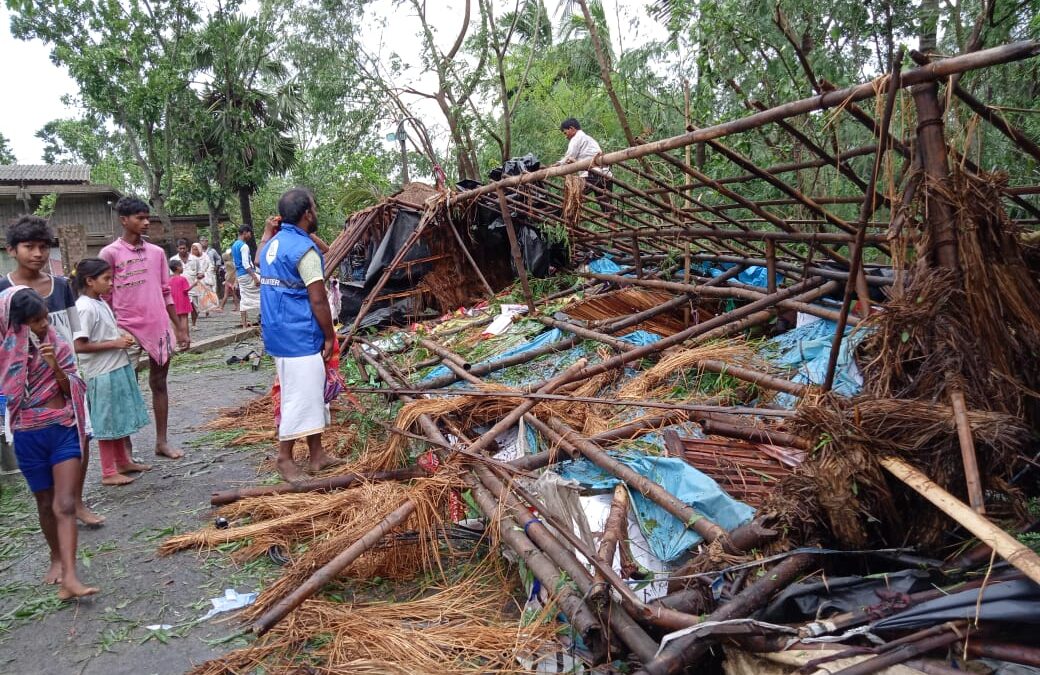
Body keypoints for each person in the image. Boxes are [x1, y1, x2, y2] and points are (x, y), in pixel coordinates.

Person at [0, 216, 103, 527]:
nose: (37, 254)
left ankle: (77, 501)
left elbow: (73, 331)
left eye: (43, 247)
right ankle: (49, 506)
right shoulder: (4, 291)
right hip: (24, 388)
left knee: (80, 438)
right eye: (29, 247)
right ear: (11, 250)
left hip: (64, 377)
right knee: (35, 447)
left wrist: (68, 370)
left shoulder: (60, 286)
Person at [0, 286, 98, 600]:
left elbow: (73, 388)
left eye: (44, 318)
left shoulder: (56, 342)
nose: (44, 326)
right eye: (35, 322)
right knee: (45, 503)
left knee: (65, 504)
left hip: (62, 427)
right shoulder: (4, 353)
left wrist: (54, 364)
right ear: (16, 324)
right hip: (28, 435)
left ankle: (71, 576)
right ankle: (56, 557)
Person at [258, 188, 340, 482]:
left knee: (311, 392)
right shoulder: (304, 252)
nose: (316, 213)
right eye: (314, 208)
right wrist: (329, 336)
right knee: (299, 397)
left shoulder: (273, 244)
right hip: (299, 333)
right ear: (307, 213)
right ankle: (284, 458)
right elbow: (318, 299)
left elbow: (260, 263)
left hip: (277, 330)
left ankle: (317, 455)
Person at [99, 196, 188, 460]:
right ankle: (125, 451)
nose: (146, 222)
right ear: (123, 220)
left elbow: (165, 292)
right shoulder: (110, 253)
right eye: (140, 217)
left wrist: (180, 327)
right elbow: (104, 296)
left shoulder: (157, 253)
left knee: (159, 383)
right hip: (125, 330)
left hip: (158, 328)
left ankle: (162, 442)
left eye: (147, 217)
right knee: (125, 387)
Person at [72, 259, 152, 487]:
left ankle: (122, 461)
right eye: (106, 279)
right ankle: (108, 471)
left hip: (116, 367)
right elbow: (79, 345)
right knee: (106, 421)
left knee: (117, 417)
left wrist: (119, 341)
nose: (111, 283)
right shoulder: (84, 307)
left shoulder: (99, 302)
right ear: (90, 281)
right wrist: (115, 343)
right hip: (101, 373)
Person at [557, 117, 614, 214]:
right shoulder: (589, 138)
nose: (566, 136)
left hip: (592, 174)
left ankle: (563, 219)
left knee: (572, 197)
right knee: (605, 204)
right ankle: (612, 224)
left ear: (572, 129)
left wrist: (556, 165)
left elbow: (568, 157)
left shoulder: (576, 139)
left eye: (565, 133)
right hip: (606, 174)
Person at [231, 224, 259, 328]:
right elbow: (246, 264)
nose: (250, 235)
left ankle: (244, 323)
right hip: (247, 274)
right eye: (249, 233)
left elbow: (235, 263)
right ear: (245, 232)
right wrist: (255, 277)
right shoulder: (244, 246)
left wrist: (236, 279)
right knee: (264, 290)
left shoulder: (234, 245)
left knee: (244, 298)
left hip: (240, 275)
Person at [185, 242, 216, 326]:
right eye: (193, 249)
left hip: (204, 279)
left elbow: (210, 267)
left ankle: (206, 310)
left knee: (204, 296)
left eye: (196, 249)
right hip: (193, 281)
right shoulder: (189, 258)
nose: (194, 251)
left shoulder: (205, 257)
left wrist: (205, 274)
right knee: (193, 299)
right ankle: (194, 315)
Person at [169, 259, 192, 349]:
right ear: (178, 268)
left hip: (174, 302)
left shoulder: (169, 279)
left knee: (175, 322)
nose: (182, 268)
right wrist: (195, 284)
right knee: (184, 320)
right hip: (183, 301)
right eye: (181, 266)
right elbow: (186, 289)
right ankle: (186, 339)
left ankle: (178, 341)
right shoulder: (182, 279)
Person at [200, 236, 225, 300]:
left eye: (206, 240)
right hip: (202, 272)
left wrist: (216, 267)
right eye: (202, 241)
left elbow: (218, 258)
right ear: (200, 242)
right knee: (203, 287)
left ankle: (214, 302)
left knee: (213, 286)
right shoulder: (198, 251)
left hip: (211, 271)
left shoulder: (212, 250)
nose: (204, 242)